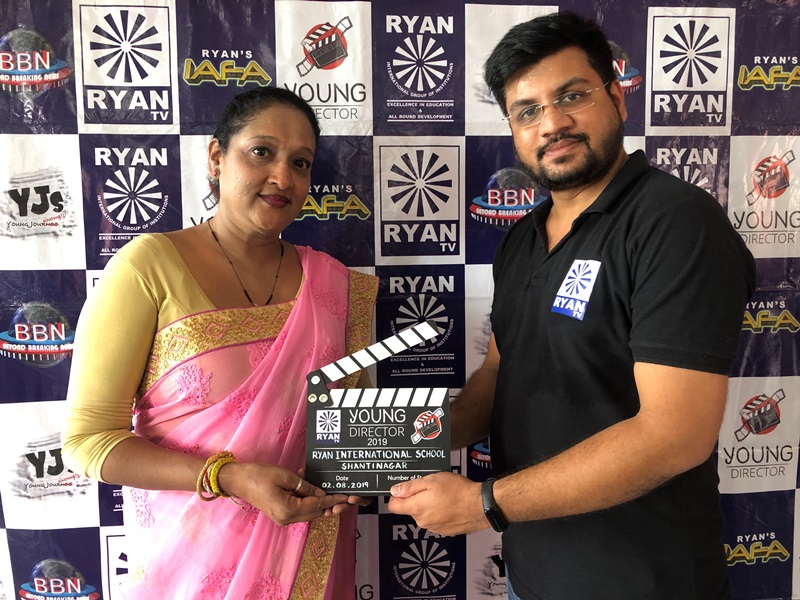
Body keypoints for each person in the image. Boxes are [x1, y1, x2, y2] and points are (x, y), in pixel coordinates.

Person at [387, 11, 754, 600]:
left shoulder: (675, 223)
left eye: (572, 96)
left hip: (643, 585)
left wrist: (485, 503)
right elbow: (498, 376)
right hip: (532, 578)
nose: (552, 123)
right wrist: (382, 445)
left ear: (617, 97)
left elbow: (674, 434)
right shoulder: (521, 239)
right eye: (527, 111)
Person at [62, 87, 378, 599]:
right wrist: (226, 477)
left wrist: (362, 473)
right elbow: (88, 441)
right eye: (262, 152)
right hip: (189, 566)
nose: (283, 177)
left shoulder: (336, 285)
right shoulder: (148, 267)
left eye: (300, 163)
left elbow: (350, 437)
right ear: (216, 157)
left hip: (308, 559)